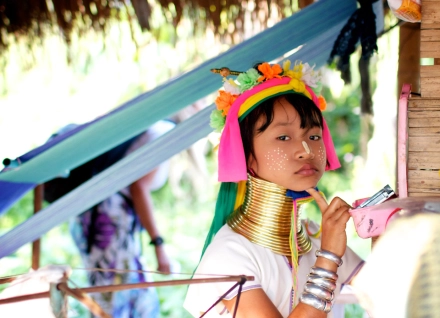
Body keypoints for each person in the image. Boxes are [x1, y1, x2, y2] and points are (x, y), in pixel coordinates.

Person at [183, 61, 366, 317]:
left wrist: (385, 231)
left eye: (314, 136)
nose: (306, 151)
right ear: (247, 156)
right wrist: (328, 258)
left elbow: (387, 292)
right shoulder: (230, 254)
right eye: (283, 137)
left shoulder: (314, 234)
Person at [66, 120, 175, 317]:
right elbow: (138, 188)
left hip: (91, 216)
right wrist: (158, 244)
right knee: (119, 295)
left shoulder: (154, 127)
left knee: (111, 292)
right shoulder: (165, 131)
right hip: (107, 220)